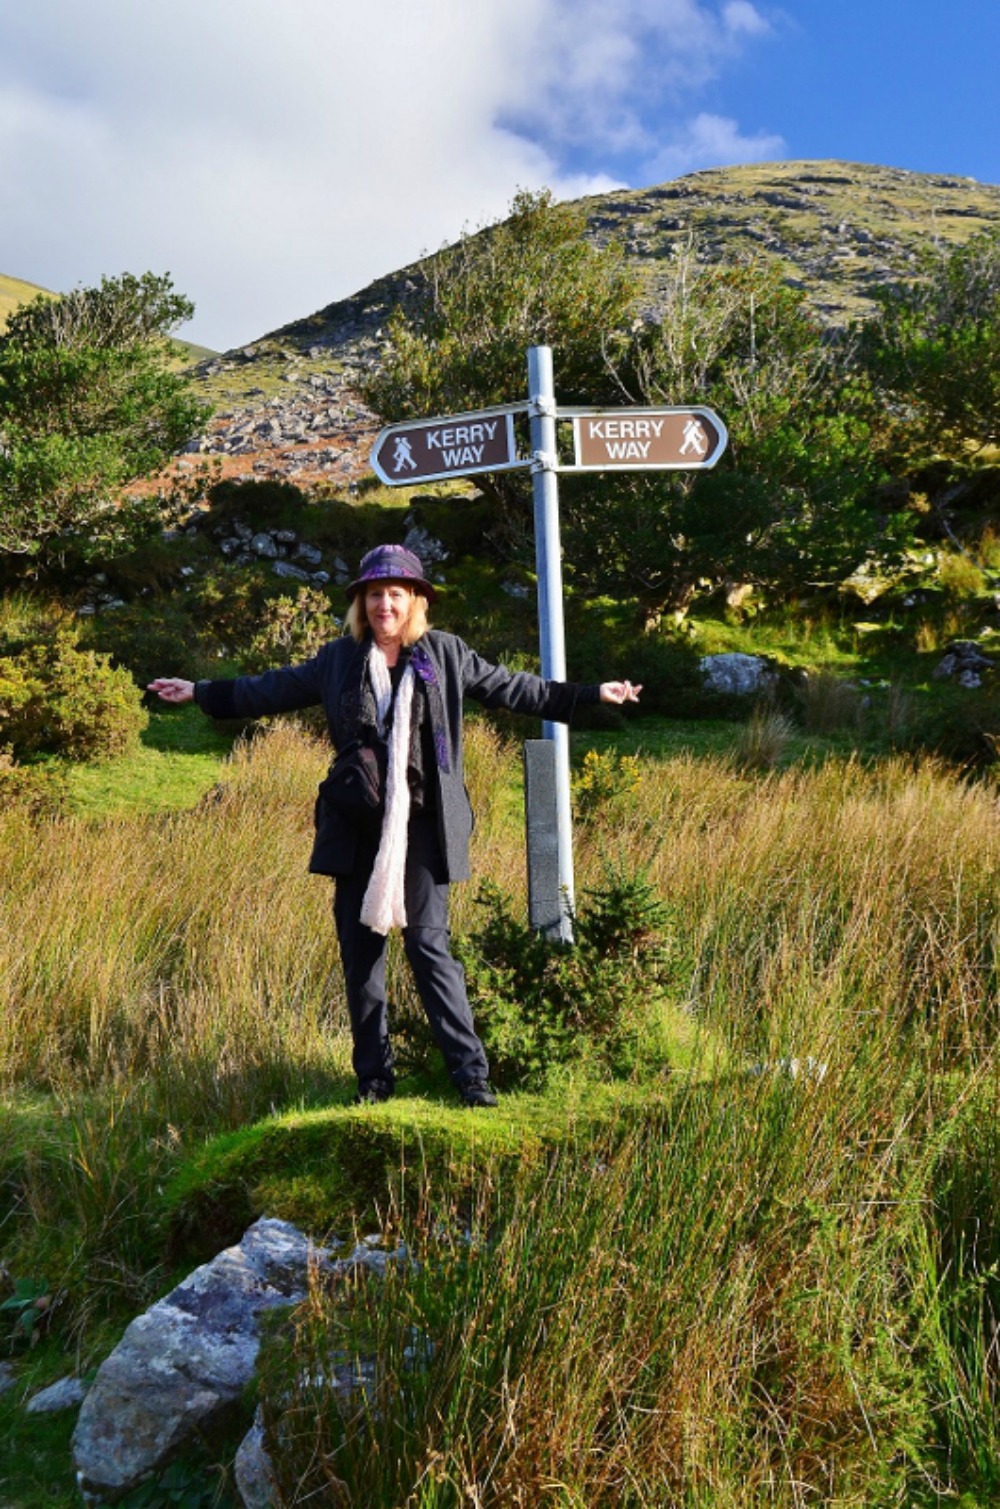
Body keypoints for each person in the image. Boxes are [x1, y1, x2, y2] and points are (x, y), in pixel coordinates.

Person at [149, 543, 641, 1108]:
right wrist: (201, 692)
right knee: (361, 958)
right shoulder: (339, 659)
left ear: (415, 602)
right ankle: (374, 1082)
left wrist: (587, 695)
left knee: (430, 949)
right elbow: (273, 688)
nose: (385, 604)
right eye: (375, 594)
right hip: (356, 824)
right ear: (362, 603)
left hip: (424, 828)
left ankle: (471, 1079)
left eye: (397, 594)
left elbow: (512, 687)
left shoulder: (446, 654)